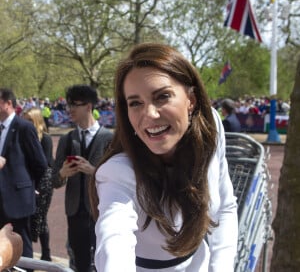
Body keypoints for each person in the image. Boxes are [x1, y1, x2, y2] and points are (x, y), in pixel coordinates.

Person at [89, 43, 238, 271]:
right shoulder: (118, 172)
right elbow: (113, 242)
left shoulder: (211, 130)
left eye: (162, 96)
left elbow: (226, 207)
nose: (149, 114)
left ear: (191, 100)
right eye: (135, 103)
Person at [53, 84, 113, 272]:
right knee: (79, 261)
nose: (69, 110)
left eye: (74, 105)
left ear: (88, 106)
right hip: (74, 211)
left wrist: (93, 171)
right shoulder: (66, 139)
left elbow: (117, 179)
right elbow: (54, 181)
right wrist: (62, 173)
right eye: (68, 105)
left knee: (104, 258)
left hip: (100, 209)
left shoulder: (109, 138)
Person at [0, 88, 48, 272]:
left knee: (22, 245)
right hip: (1, 199)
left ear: (8, 104)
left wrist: (28, 187)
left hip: (19, 198)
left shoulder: (24, 127)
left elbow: (40, 163)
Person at [22, 107, 54, 261]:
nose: (25, 123)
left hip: (43, 181)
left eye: (29, 120)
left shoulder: (45, 138)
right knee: (27, 217)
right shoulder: (22, 136)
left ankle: (46, 253)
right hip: (28, 180)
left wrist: (36, 187)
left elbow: (45, 163)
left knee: (41, 218)